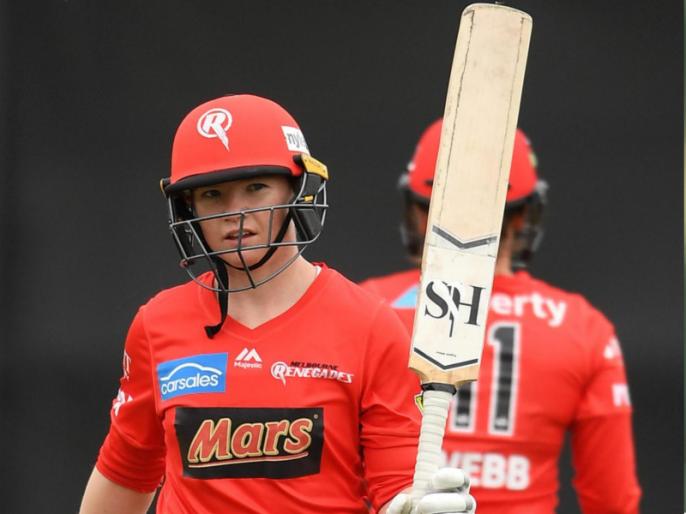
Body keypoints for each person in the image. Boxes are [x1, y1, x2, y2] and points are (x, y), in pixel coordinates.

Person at [78, 95, 475, 514]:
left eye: (255, 188)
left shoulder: (371, 326)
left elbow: (396, 487)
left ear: (298, 188)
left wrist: (416, 507)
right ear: (187, 207)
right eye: (212, 195)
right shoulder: (157, 324)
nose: (235, 213)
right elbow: (126, 473)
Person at [361, 119, 642, 514]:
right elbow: (612, 502)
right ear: (524, 217)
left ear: (421, 213)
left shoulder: (366, 305)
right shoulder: (584, 327)